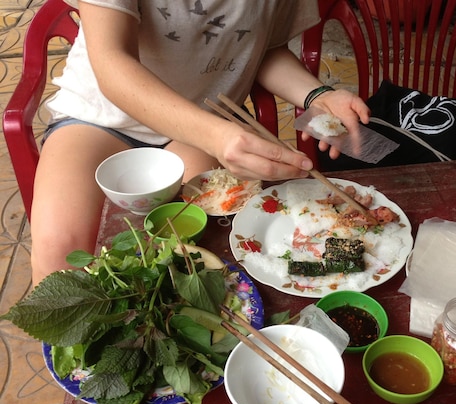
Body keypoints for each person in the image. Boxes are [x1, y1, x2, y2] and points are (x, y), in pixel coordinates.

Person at [31, 0, 370, 285]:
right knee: (58, 255)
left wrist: (316, 95)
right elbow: (111, 62)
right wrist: (218, 136)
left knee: (188, 258)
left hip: (194, 131)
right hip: (98, 119)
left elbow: (265, 49)